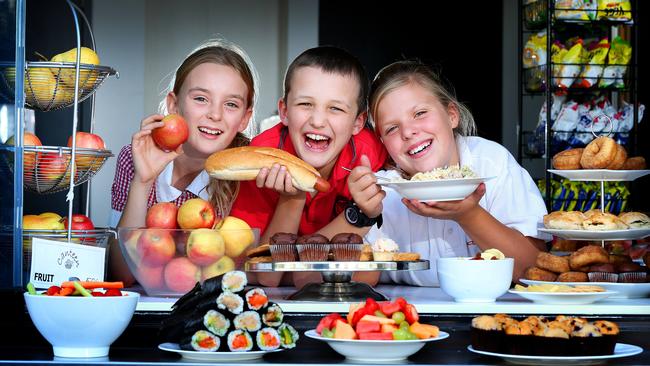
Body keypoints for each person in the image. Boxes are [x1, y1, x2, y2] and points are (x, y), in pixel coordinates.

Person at [348, 60, 550, 286]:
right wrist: (364, 214)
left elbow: (534, 269)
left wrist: (468, 215)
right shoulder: (384, 191)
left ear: (452, 115)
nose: (408, 131)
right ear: (383, 142)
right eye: (392, 128)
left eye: (420, 113)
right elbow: (358, 284)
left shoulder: (492, 163)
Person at [229, 46, 387, 288]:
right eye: (305, 104)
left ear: (358, 122)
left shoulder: (369, 153)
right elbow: (266, 275)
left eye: (335, 108)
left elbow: (366, 272)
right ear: (284, 111)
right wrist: (292, 199)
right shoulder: (260, 160)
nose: (318, 120)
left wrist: (299, 270)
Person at [109, 39, 258, 285]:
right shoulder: (134, 158)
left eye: (231, 104)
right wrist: (143, 181)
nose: (215, 114)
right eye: (201, 98)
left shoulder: (247, 174)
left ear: (244, 118)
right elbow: (122, 273)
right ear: (174, 104)